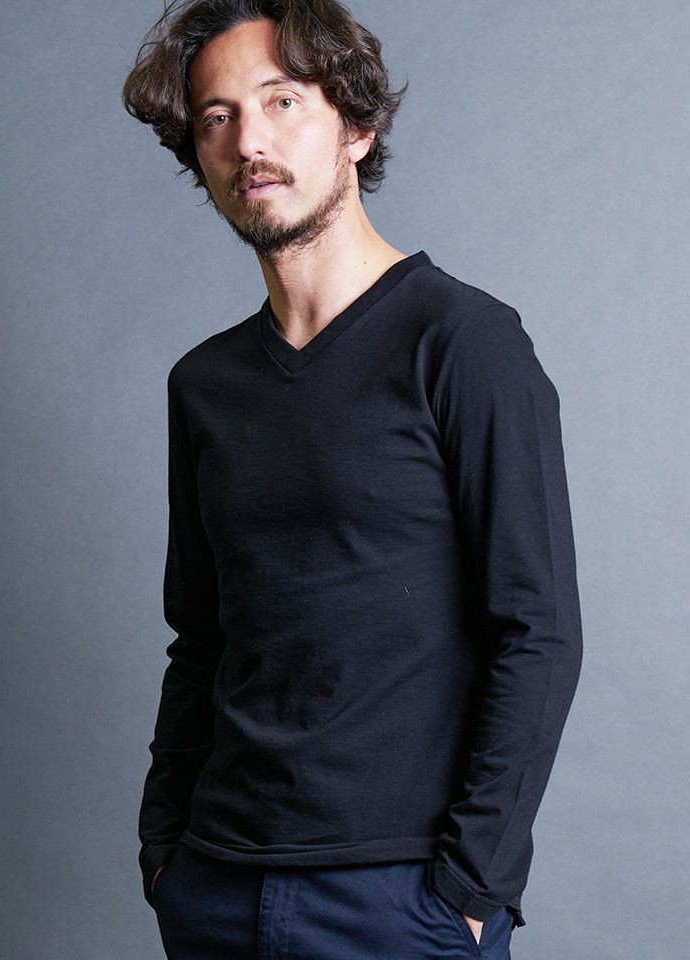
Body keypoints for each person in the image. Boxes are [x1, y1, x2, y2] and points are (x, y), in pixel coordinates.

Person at [122, 1, 583, 957]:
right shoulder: (204, 385)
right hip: (216, 886)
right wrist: (166, 850)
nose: (248, 142)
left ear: (357, 126)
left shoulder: (465, 343)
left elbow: (536, 630)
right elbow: (200, 637)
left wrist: (469, 888)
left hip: (400, 900)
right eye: (216, 118)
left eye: (282, 101)